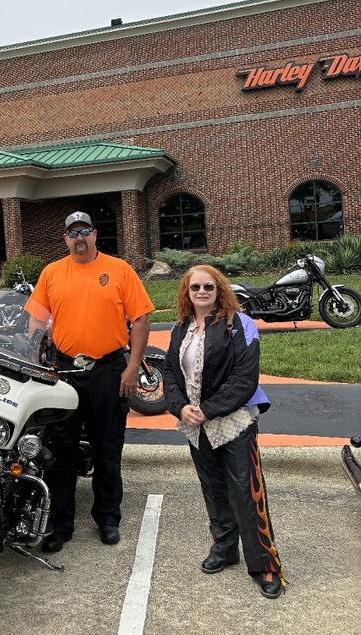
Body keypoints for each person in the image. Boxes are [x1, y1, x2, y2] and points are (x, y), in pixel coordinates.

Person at [26, 211, 154, 552]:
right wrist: (36, 361)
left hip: (108, 371)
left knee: (107, 448)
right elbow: (36, 321)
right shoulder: (52, 273)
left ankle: (108, 518)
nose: (79, 238)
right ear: (65, 239)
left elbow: (141, 319)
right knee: (61, 451)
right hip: (65, 372)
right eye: (72, 233)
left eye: (84, 231)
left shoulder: (119, 270)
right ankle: (60, 525)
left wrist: (133, 367)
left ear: (95, 234)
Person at [163, 264, 286, 599]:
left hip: (234, 423)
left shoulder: (240, 324)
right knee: (214, 491)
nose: (202, 292)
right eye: (195, 287)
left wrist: (209, 409)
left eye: (209, 287)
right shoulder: (180, 327)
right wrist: (180, 407)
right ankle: (225, 547)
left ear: (219, 290)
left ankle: (265, 565)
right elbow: (170, 373)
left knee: (246, 494)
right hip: (195, 425)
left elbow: (245, 378)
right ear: (187, 292)